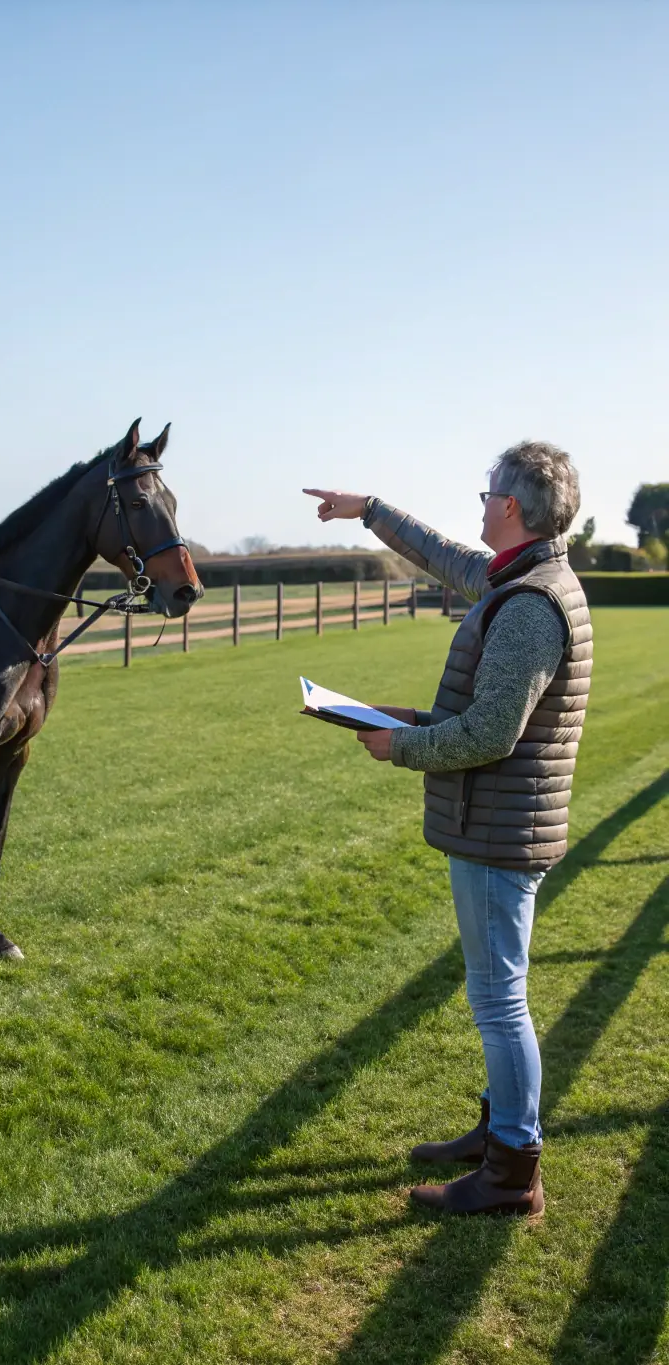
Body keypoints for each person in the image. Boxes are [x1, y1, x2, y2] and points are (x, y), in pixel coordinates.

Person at [304, 441, 591, 1217]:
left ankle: (512, 1171)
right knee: (501, 994)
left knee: (499, 1001)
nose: (479, 499)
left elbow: (492, 732)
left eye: (487, 490)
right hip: (500, 820)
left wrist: (403, 745)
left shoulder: (532, 604)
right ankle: (502, 1130)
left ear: (509, 507)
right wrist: (368, 511)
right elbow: (443, 555)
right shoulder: (521, 574)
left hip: (502, 829)